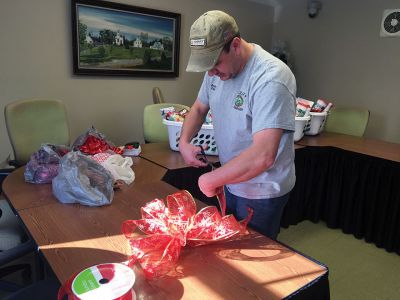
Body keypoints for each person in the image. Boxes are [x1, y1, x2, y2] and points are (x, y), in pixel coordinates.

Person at [179, 10, 296, 240]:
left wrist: (211, 178)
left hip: (262, 191)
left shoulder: (271, 78)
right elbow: (199, 108)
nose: (211, 72)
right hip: (231, 180)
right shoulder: (214, 72)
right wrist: (183, 142)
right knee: (229, 249)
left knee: (253, 256)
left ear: (235, 45)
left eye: (215, 64)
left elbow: (263, 155)